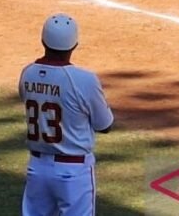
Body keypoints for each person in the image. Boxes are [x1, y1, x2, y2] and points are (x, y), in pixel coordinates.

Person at [19, 13, 114, 216]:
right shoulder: (84, 79)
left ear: (43, 41)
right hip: (73, 172)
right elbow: (104, 125)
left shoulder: (27, 73)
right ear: (74, 44)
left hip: (37, 168)